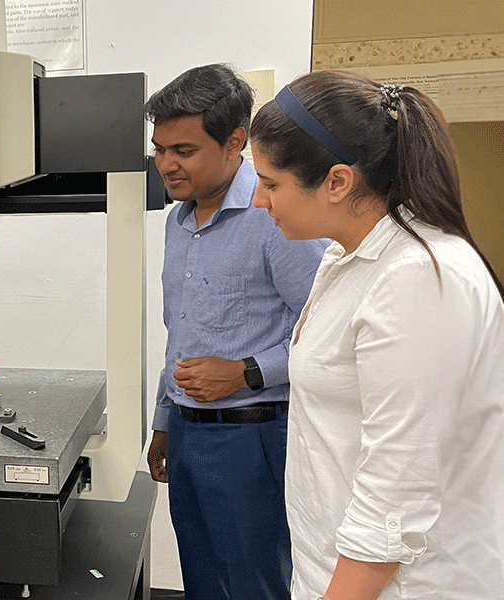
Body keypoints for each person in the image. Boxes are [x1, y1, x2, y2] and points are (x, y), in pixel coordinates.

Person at [250, 70, 504, 600]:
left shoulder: (418, 277)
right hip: (333, 570)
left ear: (338, 182)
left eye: (271, 183)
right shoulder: (347, 259)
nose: (258, 201)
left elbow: (398, 487)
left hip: (407, 586)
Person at [144, 64, 328, 600]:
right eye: (159, 149)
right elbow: (180, 333)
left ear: (235, 141)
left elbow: (328, 334)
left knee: (254, 584)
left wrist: (246, 373)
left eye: (183, 149)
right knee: (201, 579)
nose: (167, 165)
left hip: (255, 438)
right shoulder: (177, 222)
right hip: (187, 433)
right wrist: (164, 420)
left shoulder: (274, 217)